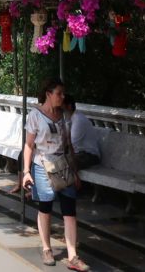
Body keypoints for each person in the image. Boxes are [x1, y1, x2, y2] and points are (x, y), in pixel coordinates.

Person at [21, 79, 89, 270]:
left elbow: (69, 145)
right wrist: (26, 171)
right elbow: (29, 145)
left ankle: (73, 255)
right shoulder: (35, 115)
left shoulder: (65, 116)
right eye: (59, 93)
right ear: (48, 94)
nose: (62, 97)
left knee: (70, 209)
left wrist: (75, 172)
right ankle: (46, 248)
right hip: (43, 164)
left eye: (63, 93)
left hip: (63, 165)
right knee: (46, 206)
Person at [64, 95, 100, 169]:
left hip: (90, 155)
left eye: (60, 108)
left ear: (69, 106)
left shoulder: (78, 120)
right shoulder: (69, 119)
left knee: (63, 163)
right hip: (79, 153)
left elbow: (71, 143)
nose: (58, 110)